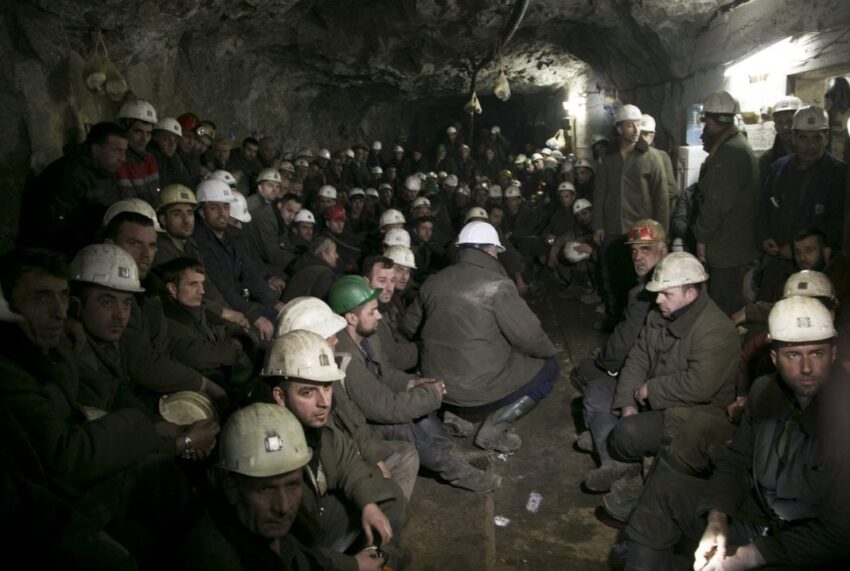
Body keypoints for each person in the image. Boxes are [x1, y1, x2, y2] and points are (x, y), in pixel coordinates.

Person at [624, 296, 850, 570]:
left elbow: (841, 532)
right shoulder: (764, 392)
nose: (806, 368)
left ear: (833, 354)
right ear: (775, 358)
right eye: (793, 355)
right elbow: (737, 459)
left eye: (817, 353)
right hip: (762, 515)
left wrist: (750, 556)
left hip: (809, 544)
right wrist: (717, 517)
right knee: (666, 490)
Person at [329, 276, 500, 492]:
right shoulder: (346, 358)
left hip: (375, 407)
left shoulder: (366, 336)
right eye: (372, 312)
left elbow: (386, 374)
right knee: (402, 424)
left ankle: (451, 452)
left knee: (419, 399)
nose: (379, 316)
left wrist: (413, 383)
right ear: (351, 318)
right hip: (357, 432)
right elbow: (385, 408)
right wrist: (430, 395)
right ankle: (457, 472)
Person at [605, 252, 739, 521]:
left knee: (626, 434)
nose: (658, 300)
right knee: (598, 392)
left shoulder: (716, 330)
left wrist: (650, 390)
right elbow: (639, 356)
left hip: (694, 412)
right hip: (653, 400)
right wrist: (626, 402)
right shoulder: (661, 314)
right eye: (658, 293)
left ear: (691, 293)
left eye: (667, 294)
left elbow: (700, 386)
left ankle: (627, 464)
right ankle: (619, 461)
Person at [403, 221, 559, 452]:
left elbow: (409, 327)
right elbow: (529, 337)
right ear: (490, 250)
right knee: (549, 368)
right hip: (477, 391)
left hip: (437, 387)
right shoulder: (497, 286)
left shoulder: (433, 281)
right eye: (496, 251)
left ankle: (455, 415)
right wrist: (548, 352)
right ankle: (495, 429)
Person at [262, 331, 409, 569]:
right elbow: (283, 548)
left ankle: (378, 556)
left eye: (327, 387)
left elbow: (348, 462)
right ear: (280, 396)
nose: (324, 402)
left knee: (387, 490)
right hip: (294, 547)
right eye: (307, 392)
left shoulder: (315, 425)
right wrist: (352, 566)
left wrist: (368, 503)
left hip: (315, 516)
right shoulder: (266, 446)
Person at [182, 403, 365, 570]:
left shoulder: (265, 531)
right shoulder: (217, 557)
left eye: (292, 485)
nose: (283, 507)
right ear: (232, 489)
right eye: (266, 489)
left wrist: (354, 565)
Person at [274, 296, 421, 502]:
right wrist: (371, 465)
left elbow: (350, 422)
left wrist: (373, 457)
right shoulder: (305, 385)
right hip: (339, 466)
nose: (336, 340)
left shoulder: (323, 373)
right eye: (330, 336)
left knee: (405, 452)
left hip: (351, 451)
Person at [575, 219, 668, 493]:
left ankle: (610, 449)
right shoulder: (672, 282)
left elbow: (621, 347)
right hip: (649, 371)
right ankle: (604, 440)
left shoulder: (647, 293)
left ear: (663, 250)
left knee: (588, 373)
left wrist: (604, 361)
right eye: (634, 250)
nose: (637, 256)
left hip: (656, 384)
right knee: (599, 387)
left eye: (646, 249)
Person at [756, 105, 847, 301]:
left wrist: (797, 249)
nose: (811, 145)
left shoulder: (839, 174)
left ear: (826, 138)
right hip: (778, 264)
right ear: (794, 138)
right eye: (804, 138)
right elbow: (764, 208)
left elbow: (838, 223)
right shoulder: (779, 169)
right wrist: (765, 237)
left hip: (818, 269)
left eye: (817, 138)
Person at [593, 104, 670, 329]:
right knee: (612, 278)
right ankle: (615, 323)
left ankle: (641, 328)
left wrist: (661, 235)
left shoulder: (652, 157)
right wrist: (598, 224)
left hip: (642, 232)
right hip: (613, 228)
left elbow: (661, 198)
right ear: (619, 129)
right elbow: (600, 193)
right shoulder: (608, 159)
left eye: (638, 125)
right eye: (630, 125)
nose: (636, 130)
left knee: (641, 280)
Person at [693, 90, 760, 316]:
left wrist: (701, 237)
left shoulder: (730, 152)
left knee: (723, 312)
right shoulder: (737, 145)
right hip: (734, 245)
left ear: (710, 121)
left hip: (727, 250)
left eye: (705, 122)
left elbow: (716, 203)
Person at [155, 257, 256, 403]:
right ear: (172, 288)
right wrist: (233, 347)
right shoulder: (167, 320)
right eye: (193, 284)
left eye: (202, 284)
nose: (201, 291)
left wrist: (236, 340)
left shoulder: (201, 309)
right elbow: (193, 354)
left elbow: (228, 326)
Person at [193, 178, 283, 338]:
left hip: (240, 302)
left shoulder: (233, 236)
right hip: (222, 309)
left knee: (281, 320)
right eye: (214, 207)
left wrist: (275, 302)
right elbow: (221, 288)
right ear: (201, 212)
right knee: (263, 338)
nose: (222, 213)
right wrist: (253, 316)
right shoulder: (200, 243)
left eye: (226, 207)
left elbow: (250, 273)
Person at [26, 122, 129, 255]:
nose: (123, 159)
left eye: (124, 152)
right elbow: (54, 229)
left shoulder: (105, 172)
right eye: (117, 151)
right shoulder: (67, 175)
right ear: (96, 150)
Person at [363, 255, 418, 371]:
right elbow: (395, 358)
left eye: (392, 281)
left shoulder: (387, 307)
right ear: (366, 282)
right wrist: (423, 347)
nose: (389, 288)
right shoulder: (368, 314)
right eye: (382, 281)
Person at [116, 99, 161, 206]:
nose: (144, 140)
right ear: (124, 130)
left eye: (148, 133)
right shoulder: (116, 161)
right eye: (138, 132)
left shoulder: (150, 159)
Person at [758, 95, 803, 185]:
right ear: (775, 126)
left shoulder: (812, 153)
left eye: (790, 121)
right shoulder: (767, 160)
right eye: (780, 122)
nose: (785, 127)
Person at [281, 236, 339, 302]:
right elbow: (323, 304)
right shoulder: (324, 274)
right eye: (334, 252)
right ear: (324, 255)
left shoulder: (303, 264)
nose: (337, 256)